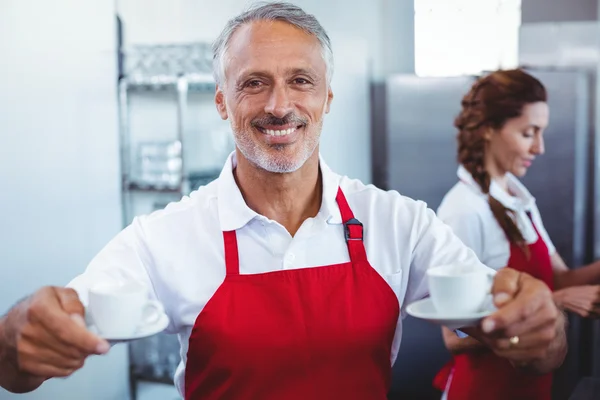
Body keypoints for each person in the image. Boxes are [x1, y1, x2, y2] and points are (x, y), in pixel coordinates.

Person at [0, 4, 566, 399]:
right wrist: (19, 333)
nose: (279, 104)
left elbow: (532, 348)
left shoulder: (401, 223)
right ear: (222, 101)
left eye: (301, 80)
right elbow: (19, 365)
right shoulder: (164, 238)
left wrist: (543, 329)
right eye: (253, 83)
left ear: (326, 98)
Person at [434, 68, 600, 400]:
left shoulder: (517, 198)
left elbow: (563, 278)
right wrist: (552, 302)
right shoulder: (464, 209)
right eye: (529, 133)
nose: (539, 147)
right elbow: (452, 336)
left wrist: (559, 294)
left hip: (531, 386)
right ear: (488, 130)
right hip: (484, 390)